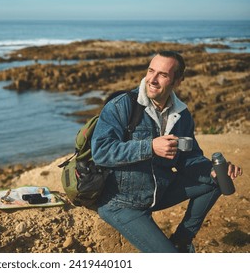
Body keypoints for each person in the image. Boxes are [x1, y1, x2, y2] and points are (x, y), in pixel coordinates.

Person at [91, 51, 243, 253]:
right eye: (150, 71)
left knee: (216, 180)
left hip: (158, 193)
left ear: (178, 81)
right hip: (121, 203)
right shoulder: (121, 106)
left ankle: (182, 240)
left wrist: (212, 170)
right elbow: (101, 152)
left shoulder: (181, 115)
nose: (152, 80)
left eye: (162, 74)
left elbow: (189, 158)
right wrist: (150, 146)